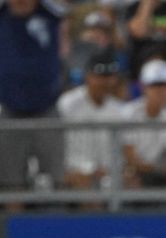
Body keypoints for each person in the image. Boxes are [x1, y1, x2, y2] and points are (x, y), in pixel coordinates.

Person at [0, 0, 66, 191]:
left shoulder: (50, 13)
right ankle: (10, 220)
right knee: (10, 181)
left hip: (46, 109)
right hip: (10, 110)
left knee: (56, 178)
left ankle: (57, 218)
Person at [57, 48, 126, 190]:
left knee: (131, 183)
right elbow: (56, 145)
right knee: (84, 185)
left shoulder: (118, 110)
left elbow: (121, 152)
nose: (105, 82)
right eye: (100, 77)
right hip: (74, 171)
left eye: (109, 77)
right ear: (88, 76)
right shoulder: (68, 104)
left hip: (108, 173)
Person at [121, 58, 166, 186]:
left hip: (155, 172)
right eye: (155, 86)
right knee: (130, 177)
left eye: (165, 85)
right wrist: (157, 169)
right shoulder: (128, 113)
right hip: (127, 171)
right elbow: (129, 158)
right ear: (143, 87)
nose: (160, 91)